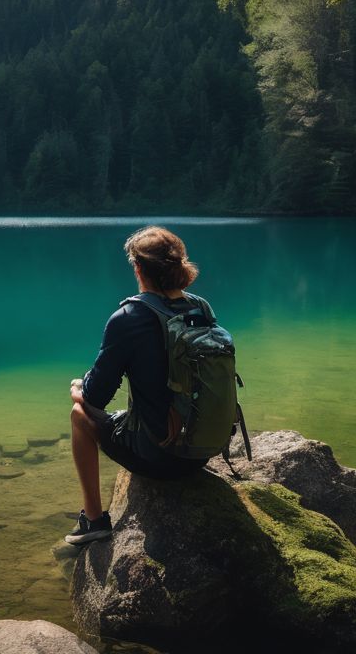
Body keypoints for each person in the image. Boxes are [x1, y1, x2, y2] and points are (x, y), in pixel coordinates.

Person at [65, 225, 211, 545]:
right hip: (202, 450)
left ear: (138, 267)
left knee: (79, 414)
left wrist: (79, 389)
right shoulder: (198, 308)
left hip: (162, 457)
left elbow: (96, 397)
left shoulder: (130, 316)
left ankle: (94, 522)